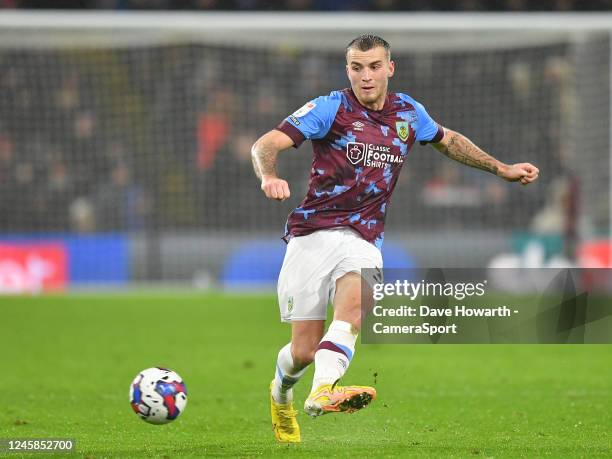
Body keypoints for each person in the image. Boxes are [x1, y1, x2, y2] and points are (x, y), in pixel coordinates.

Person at [250, 34, 539, 443]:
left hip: (364, 236)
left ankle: (322, 392)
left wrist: (500, 168)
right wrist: (269, 175)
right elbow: (266, 144)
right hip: (312, 234)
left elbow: (448, 140)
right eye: (356, 67)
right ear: (347, 69)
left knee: (353, 309)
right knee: (303, 352)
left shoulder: (408, 111)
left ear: (390, 68)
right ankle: (282, 394)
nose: (364, 76)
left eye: (373, 66)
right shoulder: (331, 107)